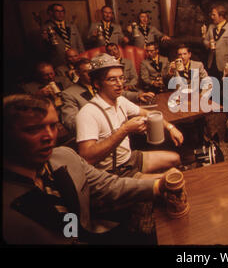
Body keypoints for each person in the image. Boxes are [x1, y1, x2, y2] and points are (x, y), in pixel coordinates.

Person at [3, 93, 172, 244]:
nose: (49, 136)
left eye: (53, 126)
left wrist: (158, 186)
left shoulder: (64, 156)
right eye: (33, 129)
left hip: (91, 233)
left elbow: (107, 185)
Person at [76, 53, 183, 179]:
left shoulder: (120, 100)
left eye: (121, 78)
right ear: (97, 84)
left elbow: (147, 113)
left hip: (129, 159)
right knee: (169, 179)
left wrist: (170, 128)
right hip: (112, 173)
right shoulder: (88, 113)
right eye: (112, 79)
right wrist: (125, 129)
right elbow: (87, 157)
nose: (119, 83)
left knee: (176, 159)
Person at [61, 58, 155, 137]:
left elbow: (122, 94)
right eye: (86, 72)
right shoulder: (69, 94)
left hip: (121, 132)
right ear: (77, 73)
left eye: (91, 71)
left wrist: (138, 96)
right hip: (98, 136)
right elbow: (71, 123)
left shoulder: (104, 84)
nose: (90, 74)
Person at [42, 3, 85, 68]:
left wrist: (83, 57)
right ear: (51, 13)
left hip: (76, 61)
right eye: (57, 11)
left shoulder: (72, 26)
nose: (60, 13)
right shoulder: (46, 27)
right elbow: (45, 49)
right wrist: (46, 40)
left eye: (62, 11)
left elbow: (79, 43)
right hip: (60, 62)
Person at [202, 5, 228, 80]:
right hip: (211, 63)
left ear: (221, 16)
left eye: (214, 15)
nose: (212, 17)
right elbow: (205, 41)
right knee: (213, 88)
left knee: (225, 89)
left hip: (224, 65)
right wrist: (208, 44)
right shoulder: (211, 27)